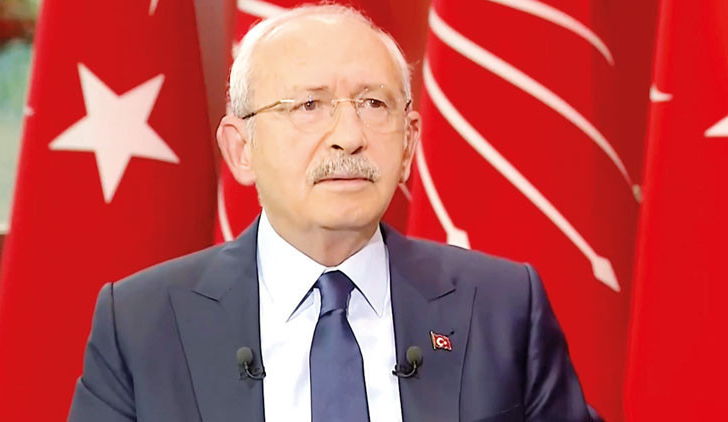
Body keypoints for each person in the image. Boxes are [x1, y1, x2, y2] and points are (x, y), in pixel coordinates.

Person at [69, 4, 594, 421]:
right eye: (308, 105)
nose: (349, 136)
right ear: (241, 149)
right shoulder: (141, 324)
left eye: (373, 104)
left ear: (408, 144)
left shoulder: (503, 308)